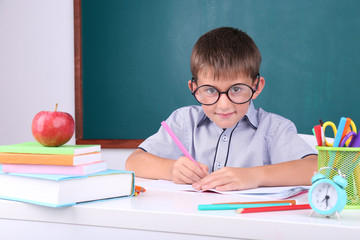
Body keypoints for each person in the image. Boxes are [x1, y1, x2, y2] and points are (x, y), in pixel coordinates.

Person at [126, 27, 317, 191]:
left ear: (256, 87)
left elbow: (317, 167)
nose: (224, 105)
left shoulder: (273, 129)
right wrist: (172, 169)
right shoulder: (184, 121)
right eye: (210, 90)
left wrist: (253, 176)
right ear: (195, 90)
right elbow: (134, 162)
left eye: (236, 89)